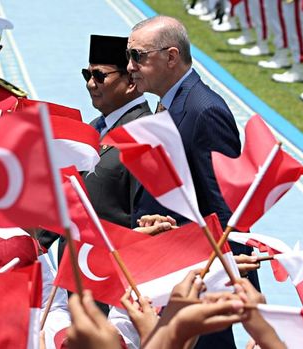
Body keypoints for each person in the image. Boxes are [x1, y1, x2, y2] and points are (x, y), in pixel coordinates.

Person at [126, 15, 258, 349]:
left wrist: (238, 282)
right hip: (166, 274)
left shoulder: (204, 111)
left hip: (198, 279)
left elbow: (225, 205)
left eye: (138, 56)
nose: (129, 66)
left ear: (171, 57)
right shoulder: (167, 104)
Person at [83, 35, 153, 229]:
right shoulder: (94, 126)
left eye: (99, 76)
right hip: (76, 255)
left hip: (111, 256)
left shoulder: (145, 137)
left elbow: (143, 218)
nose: (90, 84)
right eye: (87, 75)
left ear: (131, 81)